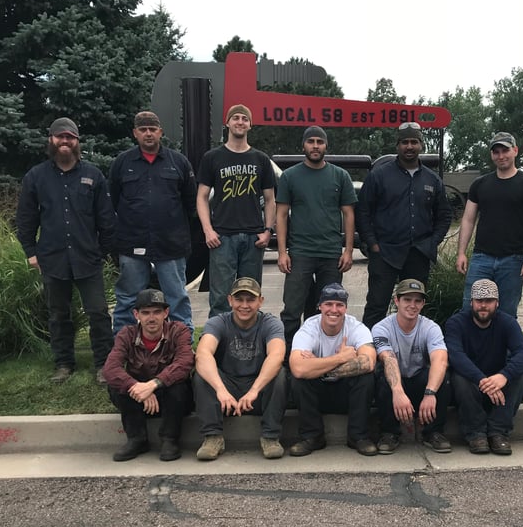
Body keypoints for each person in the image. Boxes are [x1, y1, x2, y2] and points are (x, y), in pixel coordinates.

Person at [16, 117, 115, 384]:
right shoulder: (36, 177)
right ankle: (63, 364)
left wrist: (102, 252)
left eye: (70, 137)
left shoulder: (93, 175)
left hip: (87, 259)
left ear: (77, 142)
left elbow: (106, 219)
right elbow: (25, 219)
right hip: (52, 259)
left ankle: (104, 364)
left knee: (98, 312)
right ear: (51, 140)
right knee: (58, 314)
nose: (65, 141)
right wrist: (30, 252)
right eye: (60, 137)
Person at [108, 111, 196, 335]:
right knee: (128, 299)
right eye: (143, 129)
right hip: (132, 243)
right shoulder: (122, 163)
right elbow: (114, 201)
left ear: (160, 132)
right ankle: (122, 348)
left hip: (171, 244)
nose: (148, 133)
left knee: (177, 297)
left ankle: (183, 347)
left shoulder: (179, 162)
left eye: (152, 129)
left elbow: (190, 203)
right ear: (135, 133)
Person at [356, 122, 452, 328]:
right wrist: (372, 244)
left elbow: (444, 215)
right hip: (385, 253)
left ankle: (412, 351)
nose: (410, 146)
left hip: (418, 254)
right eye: (405, 142)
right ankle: (369, 354)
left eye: (414, 142)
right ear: (397, 145)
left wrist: (432, 243)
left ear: (421, 145)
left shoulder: (432, 180)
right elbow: (363, 212)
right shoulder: (378, 176)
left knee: (414, 307)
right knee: (376, 305)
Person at [276, 126, 357, 350]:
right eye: (310, 141)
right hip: (300, 253)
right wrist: (282, 252)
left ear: (326, 146)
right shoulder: (290, 176)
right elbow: (281, 214)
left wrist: (348, 250)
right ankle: (287, 356)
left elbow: (349, 213)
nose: (315, 146)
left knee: (327, 308)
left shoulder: (340, 176)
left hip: (331, 254)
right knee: (292, 309)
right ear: (303, 145)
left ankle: (320, 353)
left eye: (319, 142)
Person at [193, 277, 288, 461]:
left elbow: (276, 356)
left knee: (280, 373)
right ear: (230, 300)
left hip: (257, 393)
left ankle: (270, 437)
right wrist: (221, 390)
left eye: (250, 300)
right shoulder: (217, 322)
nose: (244, 305)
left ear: (260, 301)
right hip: (226, 393)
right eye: (239, 299)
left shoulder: (271, 323)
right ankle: (213, 437)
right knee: (201, 373)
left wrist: (254, 390)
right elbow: (203, 354)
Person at [196, 104, 276, 317]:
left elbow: (270, 200)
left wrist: (268, 230)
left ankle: (249, 343)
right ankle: (217, 345)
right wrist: (208, 230)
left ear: (250, 124)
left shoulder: (261, 159)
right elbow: (202, 197)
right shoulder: (212, 158)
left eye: (244, 118)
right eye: (236, 118)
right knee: (221, 298)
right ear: (228, 122)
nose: (240, 122)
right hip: (222, 237)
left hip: (253, 238)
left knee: (250, 296)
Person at [456, 132, 523, 318]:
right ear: (491, 155)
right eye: (496, 152)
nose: (501, 155)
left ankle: (505, 348)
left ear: (515, 151)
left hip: (513, 260)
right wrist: (461, 253)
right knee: (470, 309)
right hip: (481, 258)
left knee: (506, 313)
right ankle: (469, 347)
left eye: (505, 150)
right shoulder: (480, 184)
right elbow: (468, 219)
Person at [102, 289, 194, 462]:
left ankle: (170, 439)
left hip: (169, 397)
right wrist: (137, 387)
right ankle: (137, 439)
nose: (151, 318)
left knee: (179, 385)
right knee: (116, 385)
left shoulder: (179, 331)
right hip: (138, 398)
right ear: (136, 314)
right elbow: (110, 368)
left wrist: (153, 385)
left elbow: (185, 362)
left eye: (157, 312)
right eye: (145, 313)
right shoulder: (126, 334)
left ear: (166, 313)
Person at [445, 279, 523, 455]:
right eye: (479, 301)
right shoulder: (456, 323)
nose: (483, 306)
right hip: (470, 385)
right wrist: (482, 380)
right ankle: (475, 434)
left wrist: (504, 376)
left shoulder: (507, 322)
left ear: (497, 303)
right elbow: (456, 356)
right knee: (458, 377)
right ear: (471, 303)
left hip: (499, 384)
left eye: (489, 301)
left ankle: (498, 432)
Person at [288, 283, 376, 457]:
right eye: (328, 304)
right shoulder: (308, 328)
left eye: (339, 305)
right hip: (318, 394)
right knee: (298, 380)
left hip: (345, 393)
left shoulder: (356, 328)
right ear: (320, 306)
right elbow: (297, 368)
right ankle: (312, 437)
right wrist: (340, 358)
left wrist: (318, 367)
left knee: (366, 377)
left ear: (346, 308)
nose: (334, 310)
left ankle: (358, 436)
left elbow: (368, 362)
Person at [371, 279, 451, 454]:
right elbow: (388, 358)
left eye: (417, 301)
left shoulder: (431, 327)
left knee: (441, 376)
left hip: (419, 382)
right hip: (396, 385)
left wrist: (430, 393)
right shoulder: (381, 328)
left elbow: (440, 359)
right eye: (407, 300)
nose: (412, 305)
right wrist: (398, 392)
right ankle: (389, 433)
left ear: (423, 304)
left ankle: (433, 432)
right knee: (384, 377)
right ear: (396, 301)